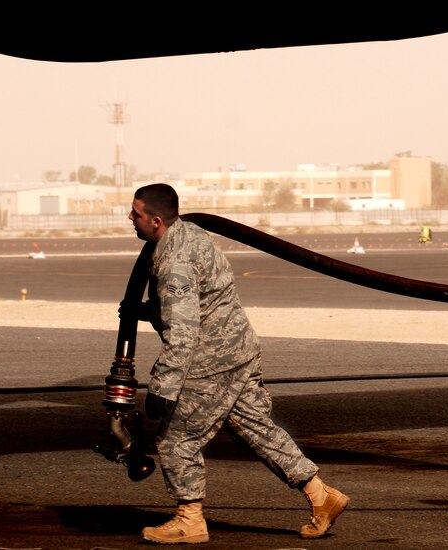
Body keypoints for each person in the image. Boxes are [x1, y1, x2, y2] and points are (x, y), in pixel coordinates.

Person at [122, 183, 349, 544]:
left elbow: (183, 329)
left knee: (176, 438)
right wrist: (147, 309)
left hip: (211, 360)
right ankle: (322, 496)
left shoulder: (175, 261)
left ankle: (189, 519)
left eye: (135, 214)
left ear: (155, 219)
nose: (129, 219)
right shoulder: (191, 234)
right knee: (255, 429)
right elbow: (199, 301)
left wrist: (164, 388)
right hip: (237, 349)